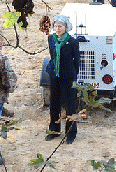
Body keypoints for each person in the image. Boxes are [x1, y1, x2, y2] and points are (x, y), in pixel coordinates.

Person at [45, 15, 80, 144]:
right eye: (56, 26)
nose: (57, 29)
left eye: (60, 26)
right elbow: (52, 56)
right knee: (54, 104)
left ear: (66, 27)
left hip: (68, 76)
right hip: (55, 75)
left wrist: (73, 76)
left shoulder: (72, 42)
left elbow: (76, 61)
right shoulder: (51, 39)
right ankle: (53, 130)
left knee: (70, 105)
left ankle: (71, 133)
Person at [0, 32, 17, 119]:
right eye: (1, 39)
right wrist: (10, 88)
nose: (4, 42)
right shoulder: (2, 58)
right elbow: (9, 78)